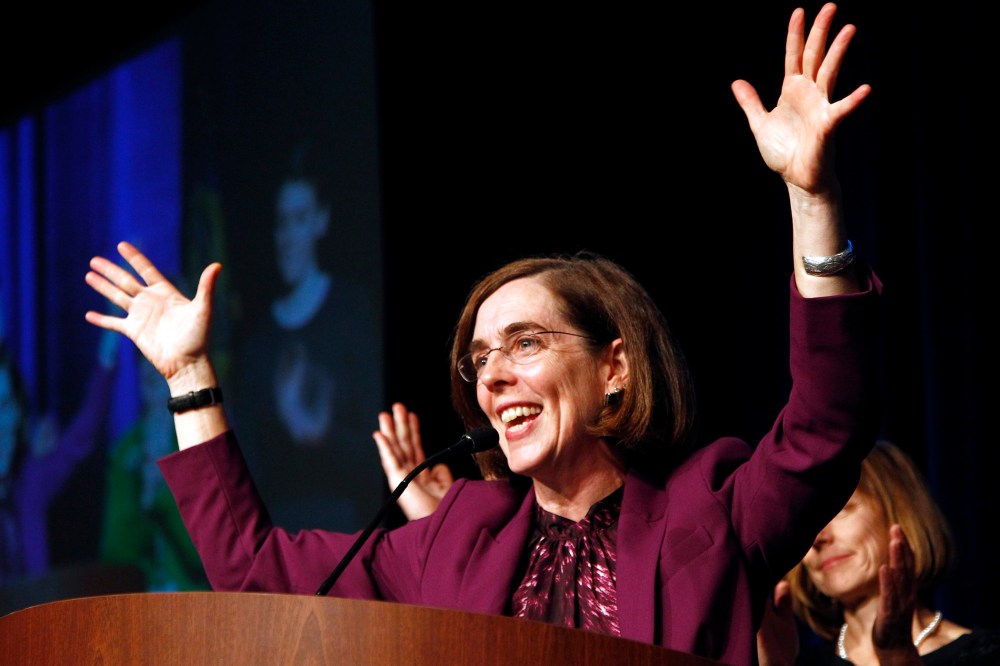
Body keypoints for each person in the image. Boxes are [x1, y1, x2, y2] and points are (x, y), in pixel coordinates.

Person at [82, 5, 882, 663]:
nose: (492, 376)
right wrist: (188, 374)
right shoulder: (458, 537)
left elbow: (827, 425)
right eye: (480, 358)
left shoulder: (707, 511)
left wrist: (813, 199)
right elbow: (255, 570)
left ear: (614, 368)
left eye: (525, 343)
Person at [230, 138, 383, 532]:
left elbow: (373, 441)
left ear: (321, 221)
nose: (287, 237)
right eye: (281, 222)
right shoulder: (260, 340)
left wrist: (320, 435)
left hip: (348, 526)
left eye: (299, 219)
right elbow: (250, 458)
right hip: (280, 533)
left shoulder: (351, 310)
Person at [755, 441, 1000, 665]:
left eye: (838, 511)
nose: (818, 537)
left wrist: (898, 657)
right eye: (808, 523)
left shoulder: (983, 656)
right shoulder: (792, 661)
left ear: (898, 512)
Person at [0, 328, 118, 584]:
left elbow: (81, 436)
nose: (2, 424)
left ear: (19, 413)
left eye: (6, 406)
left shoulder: (28, 484)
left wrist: (108, 349)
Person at [98, 351, 210, 592]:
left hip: (197, 602)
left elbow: (212, 557)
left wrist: (163, 492)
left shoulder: (203, 438)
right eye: (144, 358)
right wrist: (135, 491)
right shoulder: (127, 451)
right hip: (144, 603)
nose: (150, 368)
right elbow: (117, 555)